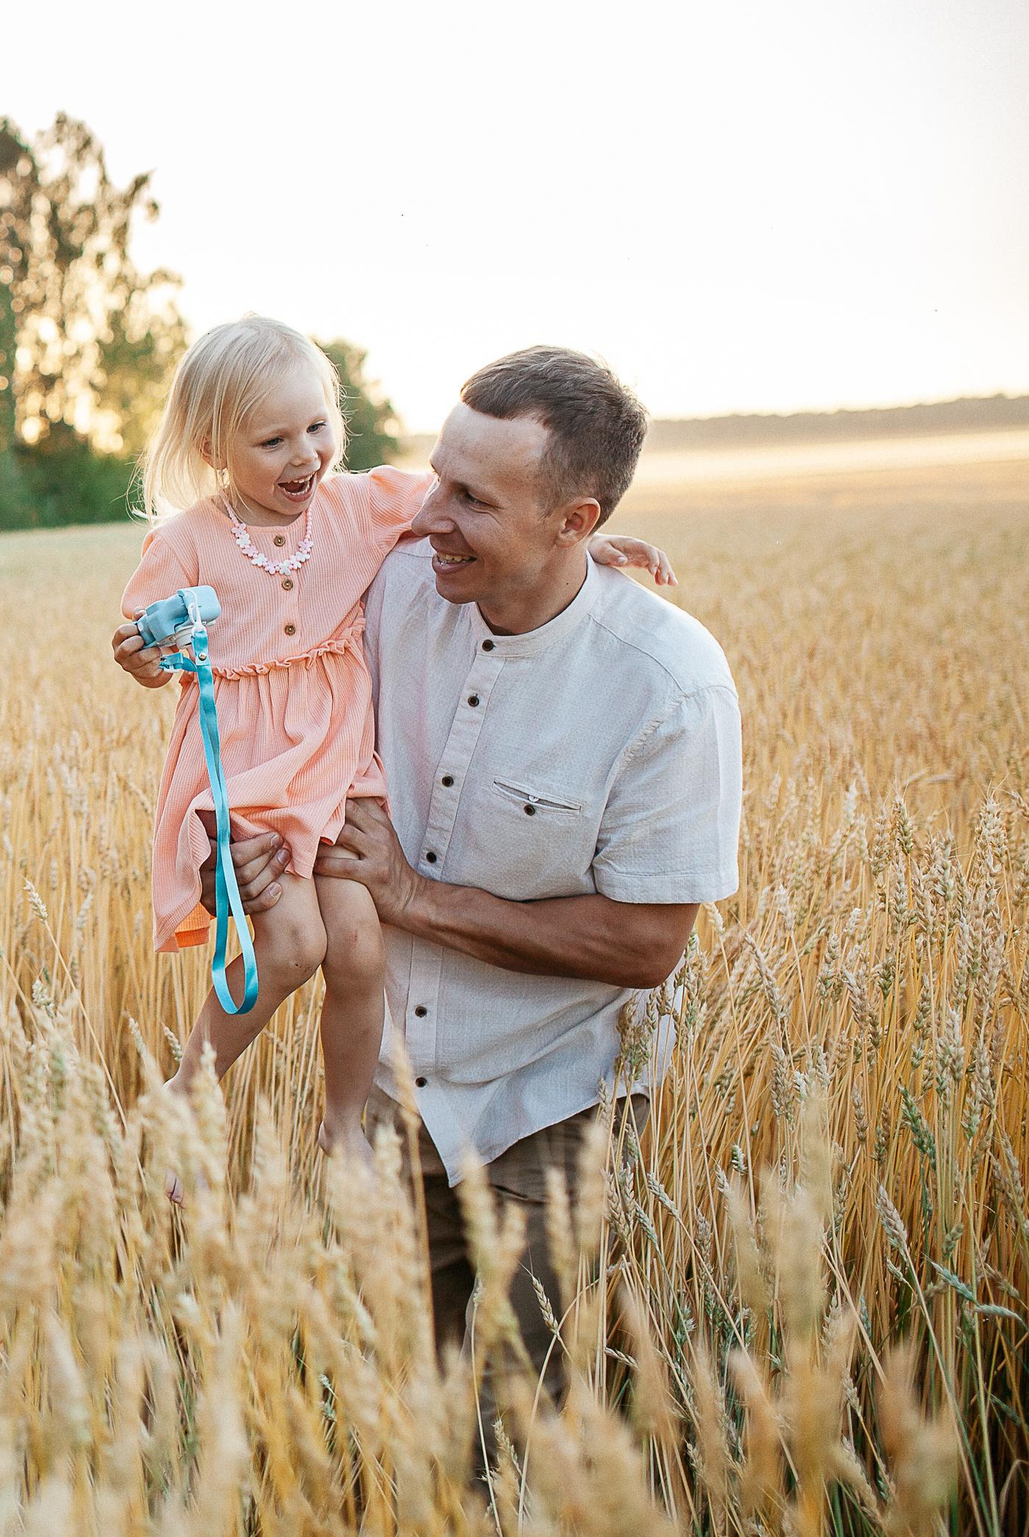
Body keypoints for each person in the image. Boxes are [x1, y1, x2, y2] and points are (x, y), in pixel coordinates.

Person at [116, 344, 742, 1436]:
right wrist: (241, 864)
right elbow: (266, 724)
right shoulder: (386, 585)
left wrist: (408, 895)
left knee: (515, 1418)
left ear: (571, 520)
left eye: (471, 499)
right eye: (435, 479)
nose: (430, 514)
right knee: (396, 1416)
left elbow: (647, 945)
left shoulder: (667, 685)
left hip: (546, 1103)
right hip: (393, 1091)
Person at [116, 317, 671, 1154]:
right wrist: (144, 660)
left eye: (317, 427)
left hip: (336, 767)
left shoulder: (357, 506)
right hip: (250, 769)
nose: (305, 454)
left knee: (361, 949)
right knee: (295, 944)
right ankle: (189, 1087)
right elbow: (149, 642)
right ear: (211, 445)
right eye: (273, 440)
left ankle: (343, 1128)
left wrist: (585, 544)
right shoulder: (187, 541)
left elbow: (514, 518)